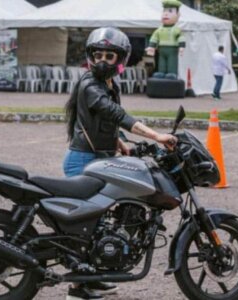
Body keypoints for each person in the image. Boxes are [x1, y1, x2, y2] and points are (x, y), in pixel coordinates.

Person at [63, 27, 177, 300]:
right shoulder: (91, 85)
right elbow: (116, 114)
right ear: (91, 57)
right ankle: (79, 288)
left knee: (105, 222)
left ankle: (94, 276)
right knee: (86, 228)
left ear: (120, 59)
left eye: (109, 56)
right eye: (98, 54)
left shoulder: (107, 85)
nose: (103, 60)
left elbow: (101, 122)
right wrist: (156, 135)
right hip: (83, 161)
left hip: (100, 157)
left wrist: (121, 145)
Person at [145, 0, 185, 79]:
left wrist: (181, 47)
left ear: (178, 15)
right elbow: (154, 38)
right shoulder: (159, 29)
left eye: (170, 11)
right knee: (161, 61)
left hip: (172, 49)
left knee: (172, 61)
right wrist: (151, 46)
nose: (166, 14)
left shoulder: (176, 29)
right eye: (164, 11)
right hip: (161, 49)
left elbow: (181, 37)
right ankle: (161, 72)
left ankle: (172, 72)